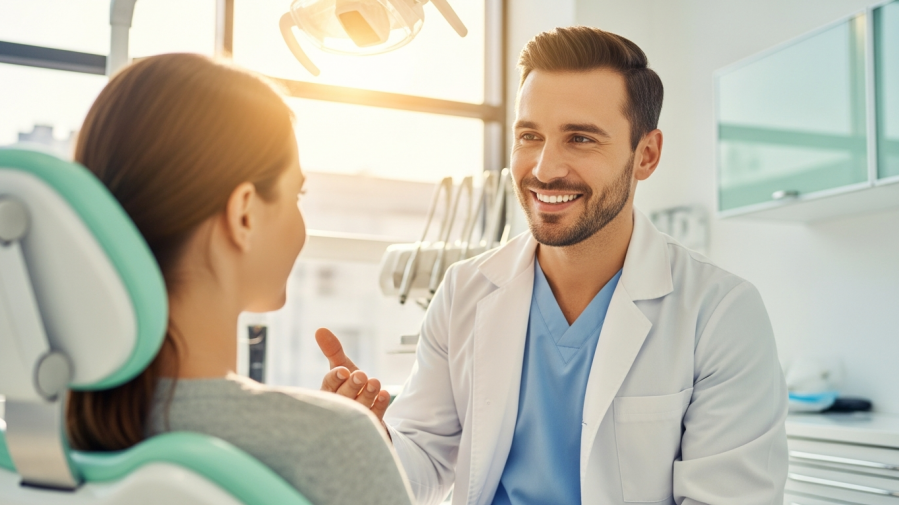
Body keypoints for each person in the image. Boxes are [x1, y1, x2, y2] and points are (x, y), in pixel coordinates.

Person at [317, 26, 789, 504]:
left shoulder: (721, 313)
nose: (544, 168)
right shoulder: (465, 290)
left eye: (580, 138)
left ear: (646, 155)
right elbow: (426, 463)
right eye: (529, 136)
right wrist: (372, 440)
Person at [64, 53, 413, 505]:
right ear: (244, 213)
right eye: (296, 194)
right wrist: (345, 440)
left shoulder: (47, 435)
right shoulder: (330, 442)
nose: (300, 222)